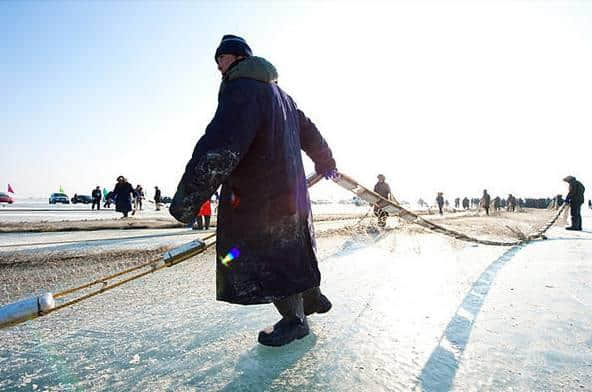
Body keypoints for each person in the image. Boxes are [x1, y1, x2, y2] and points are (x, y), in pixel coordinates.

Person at [169, 35, 337, 347]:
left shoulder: (242, 88)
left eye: (220, 59)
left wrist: (188, 199)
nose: (218, 66)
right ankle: (311, 298)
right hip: (291, 191)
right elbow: (310, 131)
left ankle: (294, 320)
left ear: (234, 58)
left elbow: (219, 146)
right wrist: (326, 161)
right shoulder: (281, 95)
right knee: (293, 247)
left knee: (267, 253)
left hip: (259, 195)